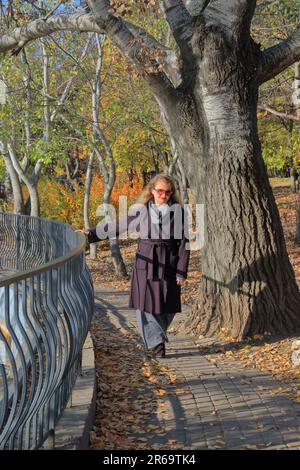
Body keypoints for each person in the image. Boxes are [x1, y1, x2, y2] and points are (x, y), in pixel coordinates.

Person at [79, 174, 190, 358]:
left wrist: (181, 270)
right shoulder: (140, 211)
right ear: (152, 190)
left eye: (167, 192)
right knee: (145, 305)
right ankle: (157, 345)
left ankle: (156, 337)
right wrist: (90, 234)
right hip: (145, 261)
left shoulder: (178, 212)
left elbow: (185, 243)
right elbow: (117, 226)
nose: (163, 195)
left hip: (168, 263)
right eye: (160, 191)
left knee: (168, 305)